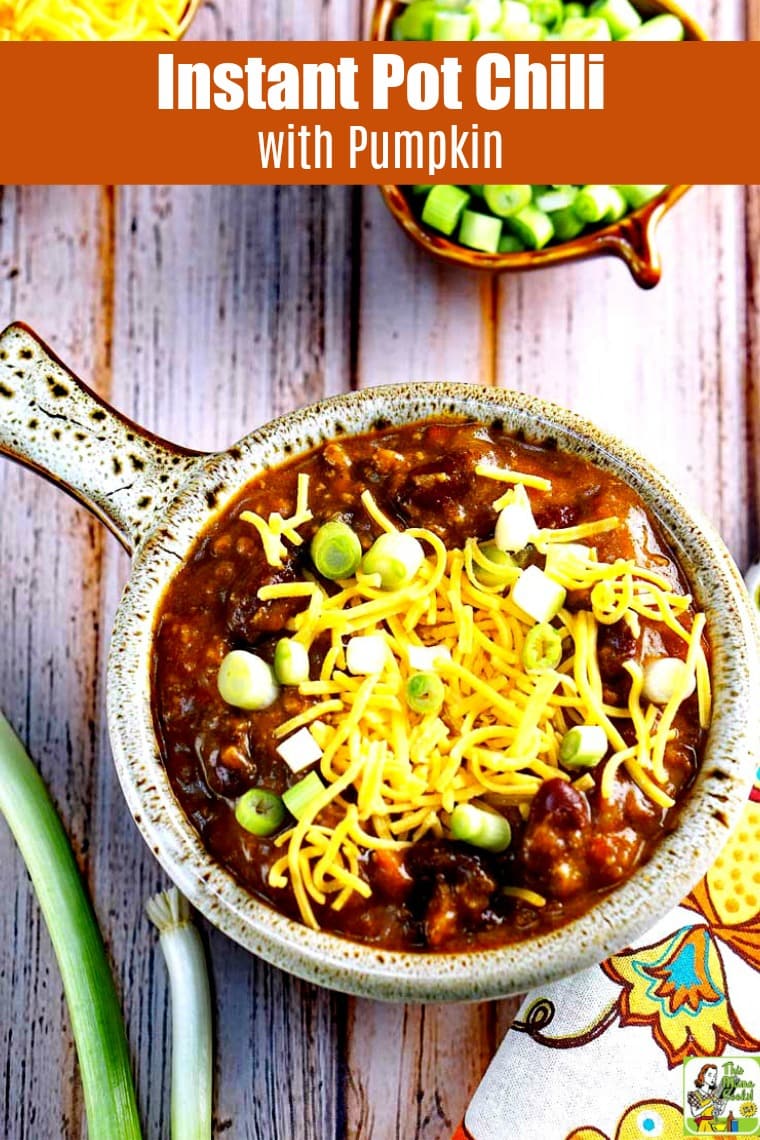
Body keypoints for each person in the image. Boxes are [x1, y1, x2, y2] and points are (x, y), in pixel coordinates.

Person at [687, 1064, 731, 1133]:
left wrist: (725, 1101)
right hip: (703, 1126)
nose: (713, 1078)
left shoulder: (714, 1095)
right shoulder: (694, 1095)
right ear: (703, 1075)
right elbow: (694, 1113)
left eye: (715, 1076)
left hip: (713, 1125)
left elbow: (718, 1112)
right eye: (710, 1075)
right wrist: (708, 1105)